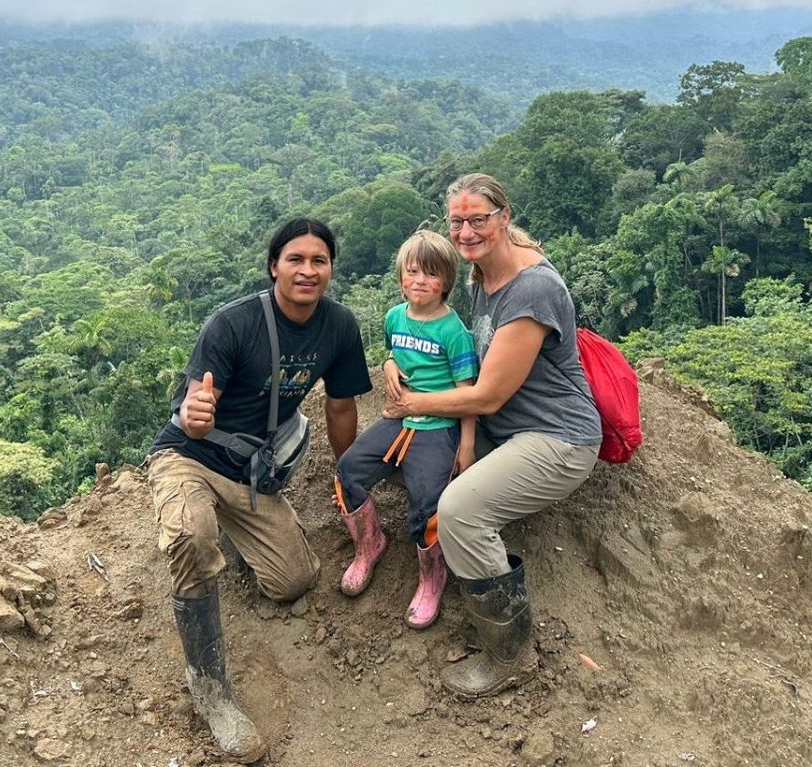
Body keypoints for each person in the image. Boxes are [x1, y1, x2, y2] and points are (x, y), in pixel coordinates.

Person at [146, 218, 371, 762]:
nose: (307, 270)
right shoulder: (233, 324)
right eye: (295, 259)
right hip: (190, 456)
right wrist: (195, 415)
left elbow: (341, 406)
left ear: (330, 269)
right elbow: (193, 411)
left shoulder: (339, 326)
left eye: (319, 261)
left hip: (250, 471)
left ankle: (232, 530)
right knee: (192, 536)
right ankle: (210, 690)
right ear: (274, 267)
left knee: (294, 582)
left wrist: (350, 476)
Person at [384, 173, 603, 698]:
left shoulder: (533, 289)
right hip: (505, 430)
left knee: (460, 510)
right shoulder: (483, 275)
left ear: (504, 218)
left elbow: (486, 396)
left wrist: (412, 403)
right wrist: (392, 360)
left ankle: (509, 653)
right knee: (407, 458)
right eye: (457, 221)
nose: (466, 232)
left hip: (556, 436)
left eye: (478, 219)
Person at [333, 230, 478, 629]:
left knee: (428, 501)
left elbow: (469, 394)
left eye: (430, 274)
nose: (419, 281)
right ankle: (369, 544)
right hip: (398, 418)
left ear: (445, 282)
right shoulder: (394, 317)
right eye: (412, 271)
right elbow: (393, 352)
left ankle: (432, 577)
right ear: (400, 277)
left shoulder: (454, 332)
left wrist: (467, 445)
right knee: (348, 472)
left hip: (438, 426)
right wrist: (389, 365)